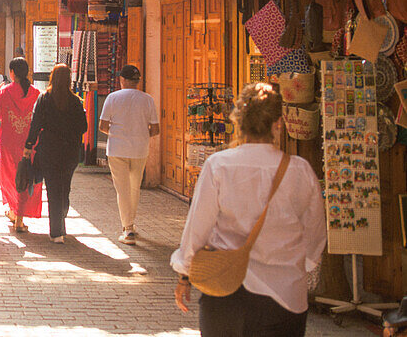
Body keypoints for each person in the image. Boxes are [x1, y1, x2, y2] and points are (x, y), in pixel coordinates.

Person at [172, 83, 324, 336]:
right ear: (278, 123)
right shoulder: (300, 171)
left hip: (226, 290)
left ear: (238, 121)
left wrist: (184, 274)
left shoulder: (219, 165)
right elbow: (315, 233)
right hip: (285, 296)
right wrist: (299, 266)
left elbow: (197, 228)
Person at [23, 64, 87, 243]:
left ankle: (57, 231)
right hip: (69, 151)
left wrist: (29, 144)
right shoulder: (75, 101)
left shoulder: (44, 99)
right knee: (64, 187)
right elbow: (83, 127)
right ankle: (61, 219)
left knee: (53, 189)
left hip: (49, 150)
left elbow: (35, 124)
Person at [99, 64, 159, 245]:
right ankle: (129, 225)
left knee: (122, 190)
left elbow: (103, 126)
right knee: (134, 188)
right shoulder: (147, 99)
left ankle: (128, 229)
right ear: (137, 81)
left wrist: (118, 135)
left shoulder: (112, 98)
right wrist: (139, 135)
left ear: (122, 80)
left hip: (117, 149)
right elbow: (155, 129)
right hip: (140, 150)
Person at [0, 57, 44, 233]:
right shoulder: (36, 93)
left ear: (12, 73)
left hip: (9, 141)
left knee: (10, 176)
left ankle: (16, 213)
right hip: (30, 142)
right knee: (27, 176)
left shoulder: (4, 91)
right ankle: (19, 216)